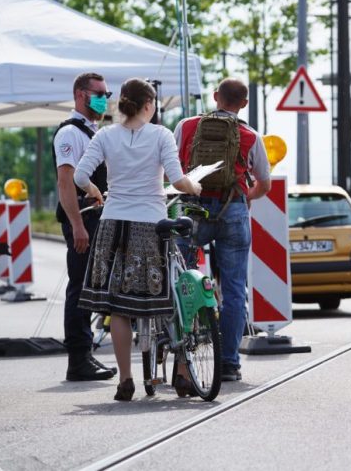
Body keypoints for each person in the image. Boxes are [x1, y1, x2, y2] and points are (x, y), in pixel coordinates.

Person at [74, 79, 202, 401]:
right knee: (166, 296)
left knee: (118, 307)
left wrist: (93, 191)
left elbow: (79, 176)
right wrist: (195, 187)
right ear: (150, 105)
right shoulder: (160, 135)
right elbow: (177, 179)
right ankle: (182, 369)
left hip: (112, 224)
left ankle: (125, 381)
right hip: (150, 224)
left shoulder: (104, 135)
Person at [174, 78, 271, 383]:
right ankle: (229, 363)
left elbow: (171, 170)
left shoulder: (187, 126)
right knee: (233, 290)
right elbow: (264, 183)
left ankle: (184, 357)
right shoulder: (250, 135)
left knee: (182, 282)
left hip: (193, 211)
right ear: (244, 104)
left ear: (215, 97)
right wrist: (244, 199)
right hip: (233, 212)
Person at [53, 72, 115, 382]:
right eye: (99, 93)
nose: (105, 98)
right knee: (80, 290)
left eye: (107, 92)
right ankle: (78, 359)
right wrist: (77, 225)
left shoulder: (92, 131)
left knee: (89, 290)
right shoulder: (70, 133)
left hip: (94, 219)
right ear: (81, 95)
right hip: (83, 219)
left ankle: (85, 356)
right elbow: (66, 183)